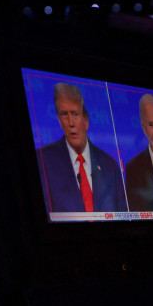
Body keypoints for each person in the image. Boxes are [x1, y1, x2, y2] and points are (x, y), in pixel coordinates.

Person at [36, 82, 127, 214]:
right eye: (64, 114)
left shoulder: (110, 166)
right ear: (59, 121)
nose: (71, 123)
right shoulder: (43, 161)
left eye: (75, 114)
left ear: (86, 120)